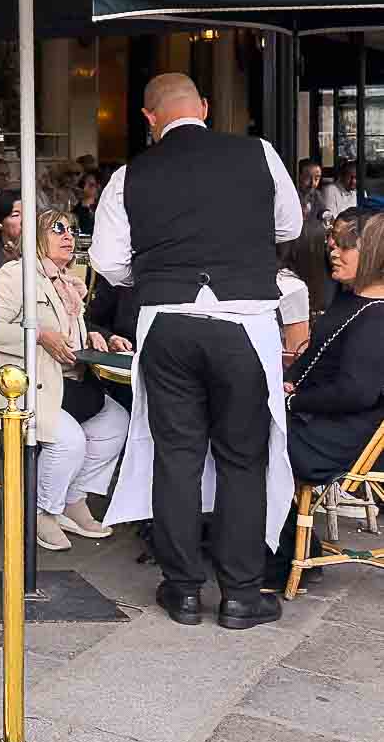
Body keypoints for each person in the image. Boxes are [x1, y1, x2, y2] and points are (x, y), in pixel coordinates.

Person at [93, 73, 303, 630]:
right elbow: (289, 225)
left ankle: (183, 590)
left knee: (177, 455)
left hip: (166, 323)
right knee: (243, 458)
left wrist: (160, 276)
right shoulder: (259, 153)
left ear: (149, 117)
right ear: (205, 107)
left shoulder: (129, 174)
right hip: (245, 321)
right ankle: (241, 594)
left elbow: (108, 263)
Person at [0, 210, 130, 552]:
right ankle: (42, 512)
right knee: (69, 441)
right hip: (24, 386)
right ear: (37, 237)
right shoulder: (15, 275)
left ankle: (72, 499)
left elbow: (68, 334)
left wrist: (96, 336)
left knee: (115, 423)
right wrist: (38, 336)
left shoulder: (66, 281)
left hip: (66, 383)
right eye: (58, 229)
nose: (68, 236)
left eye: (71, 229)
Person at [268, 211, 384, 589]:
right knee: (236, 428)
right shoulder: (349, 299)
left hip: (339, 438)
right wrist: (288, 383)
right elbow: (312, 358)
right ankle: (285, 548)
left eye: (346, 244)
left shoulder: (378, 316)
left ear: (375, 252)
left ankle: (284, 557)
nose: (333, 250)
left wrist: (294, 401)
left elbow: (356, 391)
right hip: (318, 421)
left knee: (242, 439)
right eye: (333, 242)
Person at [296, 158, 325, 223]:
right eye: (307, 177)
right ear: (298, 176)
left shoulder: (317, 195)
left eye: (316, 178)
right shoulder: (292, 195)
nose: (313, 183)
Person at [73, 171, 100, 237]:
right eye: (84, 184)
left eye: (91, 185)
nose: (87, 187)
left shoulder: (103, 209)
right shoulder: (76, 212)